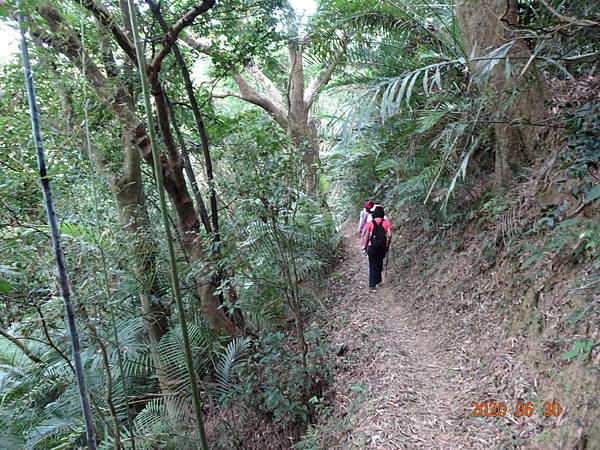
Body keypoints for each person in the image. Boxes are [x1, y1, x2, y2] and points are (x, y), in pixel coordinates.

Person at [362, 205, 392, 291]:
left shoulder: (370, 223)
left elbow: (367, 236)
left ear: (374, 214)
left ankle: (372, 285)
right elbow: (389, 235)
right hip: (382, 247)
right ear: (382, 214)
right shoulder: (386, 223)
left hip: (372, 247)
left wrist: (365, 246)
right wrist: (388, 244)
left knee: (372, 265)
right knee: (379, 263)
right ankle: (378, 280)